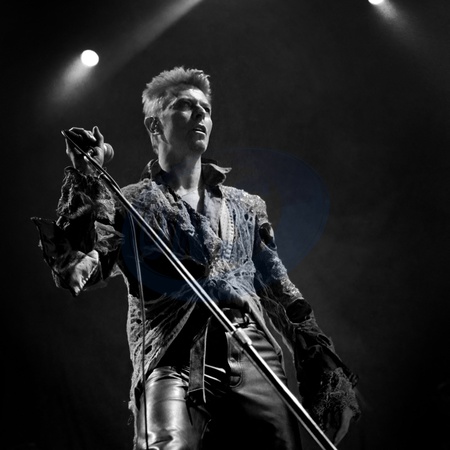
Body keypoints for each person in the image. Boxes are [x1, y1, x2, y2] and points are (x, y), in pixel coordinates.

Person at [32, 66, 360, 450]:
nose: (201, 113)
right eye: (185, 105)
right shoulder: (130, 203)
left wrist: (321, 362)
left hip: (252, 351)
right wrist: (87, 176)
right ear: (155, 126)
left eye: (206, 108)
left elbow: (280, 290)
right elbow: (81, 269)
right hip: (172, 357)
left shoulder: (246, 206)